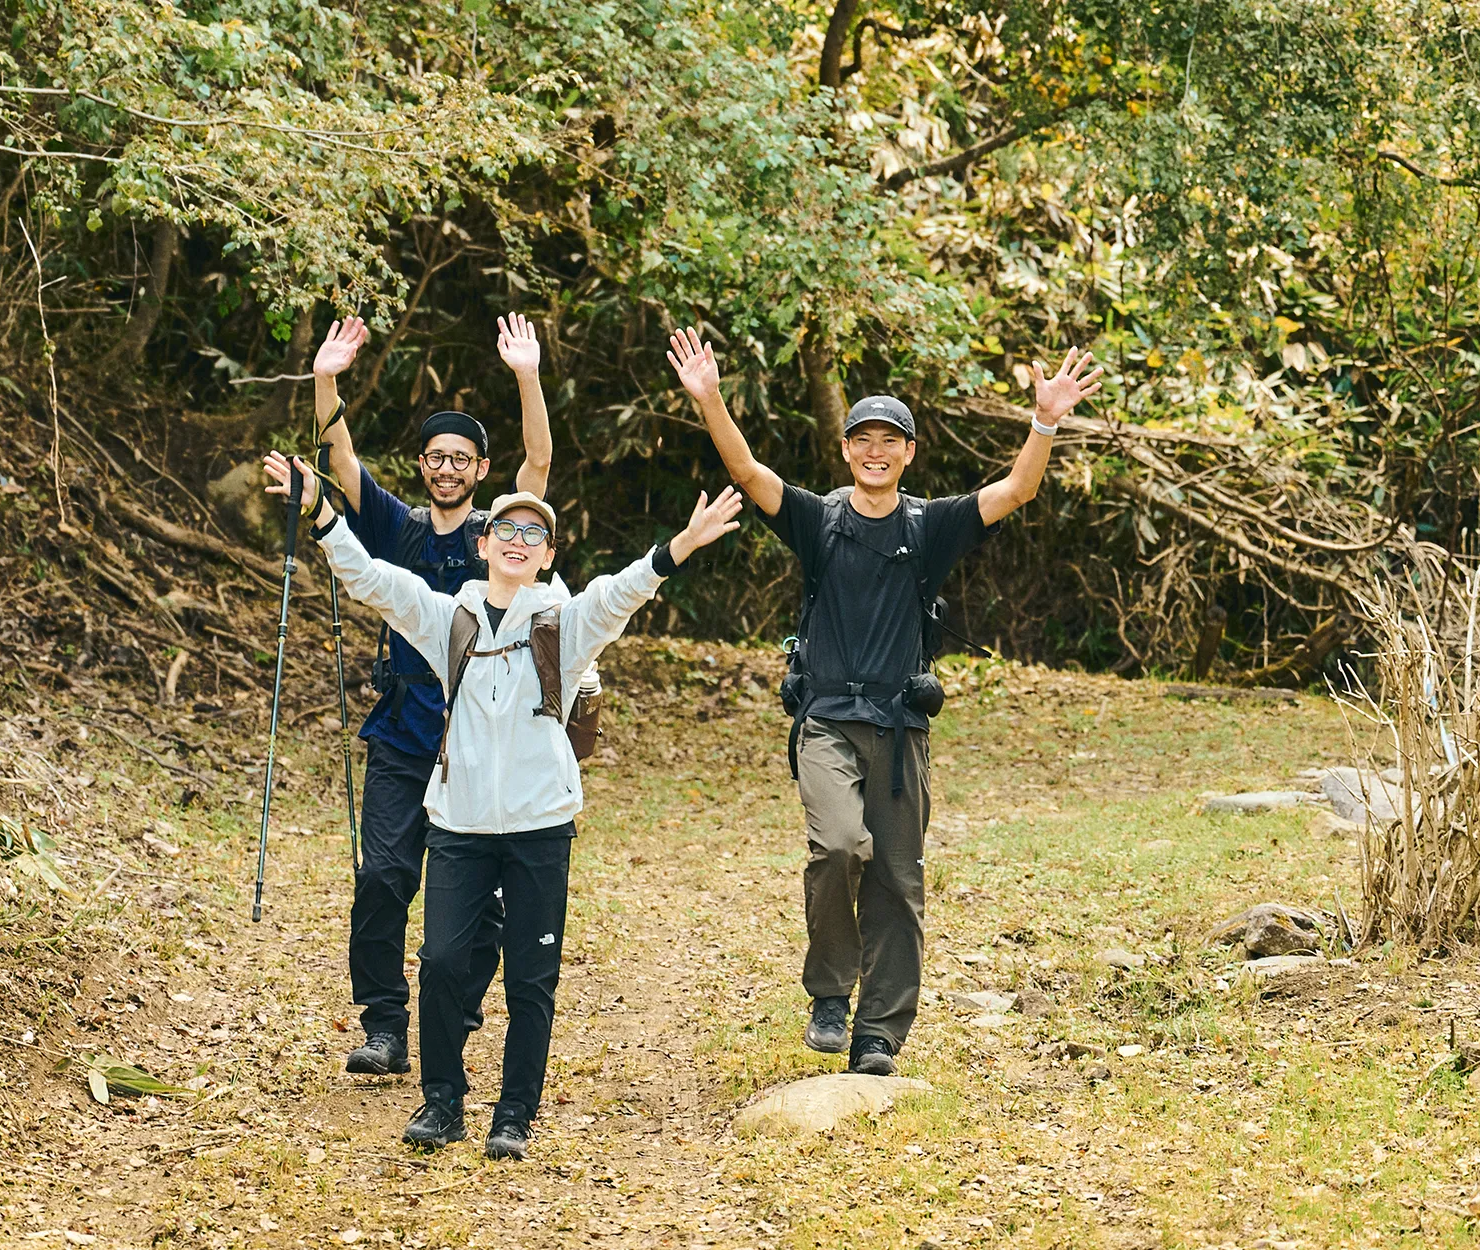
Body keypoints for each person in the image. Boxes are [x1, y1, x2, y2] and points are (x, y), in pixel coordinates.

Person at [262, 452, 744, 1157]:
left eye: (534, 535)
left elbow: (621, 593)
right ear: (483, 545)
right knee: (442, 963)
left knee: (529, 978)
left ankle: (514, 1114)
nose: (518, 541)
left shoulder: (563, 625)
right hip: (457, 822)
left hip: (541, 825)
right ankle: (442, 1103)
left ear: (547, 556)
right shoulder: (446, 619)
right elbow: (369, 579)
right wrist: (321, 512)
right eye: (506, 530)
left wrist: (681, 547)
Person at [666, 327, 1102, 1076]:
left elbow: (1017, 491)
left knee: (899, 884)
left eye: (888, 441)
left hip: (900, 732)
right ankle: (831, 995)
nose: (875, 452)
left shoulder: (928, 527)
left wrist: (1045, 421)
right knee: (837, 845)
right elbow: (745, 468)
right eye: (862, 440)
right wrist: (709, 398)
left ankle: (877, 1036)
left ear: (907, 452)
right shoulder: (817, 520)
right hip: (828, 722)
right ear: (846, 451)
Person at [308, 312, 554, 1077]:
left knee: (480, 905)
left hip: (483, 744)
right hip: (405, 731)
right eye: (436, 457)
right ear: (422, 465)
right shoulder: (394, 527)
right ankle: (385, 1022)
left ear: (482, 471)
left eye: (463, 459)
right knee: (383, 877)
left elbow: (539, 466)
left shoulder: (499, 535)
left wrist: (527, 376)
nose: (448, 469)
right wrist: (326, 379)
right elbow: (339, 459)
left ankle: (457, 1000)